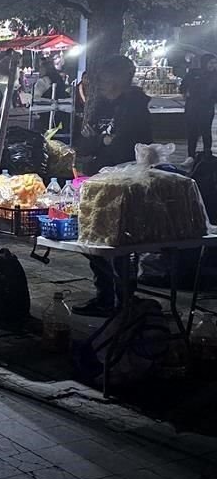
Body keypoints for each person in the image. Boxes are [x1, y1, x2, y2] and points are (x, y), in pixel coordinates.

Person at [73, 55, 153, 318]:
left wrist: (105, 144)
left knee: (121, 244)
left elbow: (134, 145)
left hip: (125, 183)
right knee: (93, 241)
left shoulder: (136, 107)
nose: (104, 84)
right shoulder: (100, 105)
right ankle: (105, 296)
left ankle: (124, 298)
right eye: (102, 80)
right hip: (98, 179)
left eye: (108, 80)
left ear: (122, 79)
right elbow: (87, 140)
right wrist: (94, 148)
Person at [181, 53, 217, 158]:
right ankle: (190, 156)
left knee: (206, 131)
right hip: (192, 108)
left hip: (207, 109)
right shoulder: (193, 73)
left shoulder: (215, 76)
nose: (213, 65)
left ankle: (207, 155)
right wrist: (187, 94)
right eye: (211, 63)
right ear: (204, 63)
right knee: (192, 133)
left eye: (215, 63)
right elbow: (183, 87)